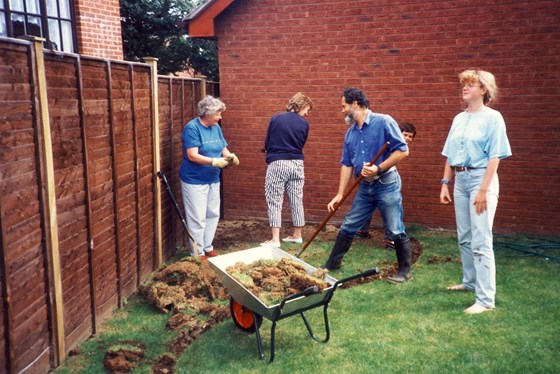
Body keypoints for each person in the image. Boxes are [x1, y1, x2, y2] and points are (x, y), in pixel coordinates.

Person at [322, 87, 413, 284]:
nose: (343, 110)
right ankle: (333, 263)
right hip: (365, 187)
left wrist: (378, 168)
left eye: (344, 106)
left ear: (355, 104)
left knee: (395, 228)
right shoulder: (350, 133)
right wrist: (340, 193)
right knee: (349, 225)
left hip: (386, 183)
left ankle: (405, 271)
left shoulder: (384, 121)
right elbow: (346, 164)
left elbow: (402, 151)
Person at [440, 69, 512, 314]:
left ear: (483, 90)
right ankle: (469, 282)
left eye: (470, 84)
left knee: (481, 240)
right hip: (460, 180)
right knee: (465, 237)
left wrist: (483, 190)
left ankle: (485, 300)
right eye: (464, 84)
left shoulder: (493, 118)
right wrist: (445, 183)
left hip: (483, 179)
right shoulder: (459, 118)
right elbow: (450, 153)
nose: (464, 88)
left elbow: (495, 156)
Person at [179, 95, 240, 259]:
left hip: (213, 178)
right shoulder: (192, 128)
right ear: (207, 113)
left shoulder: (216, 127)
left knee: (213, 213)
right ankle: (197, 253)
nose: (220, 117)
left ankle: (207, 246)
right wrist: (214, 162)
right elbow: (192, 155)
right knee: (197, 218)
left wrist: (230, 156)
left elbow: (222, 147)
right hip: (194, 180)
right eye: (218, 114)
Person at [260, 93, 314, 248]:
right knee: (296, 199)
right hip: (297, 163)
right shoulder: (304, 123)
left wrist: (268, 150)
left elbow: (268, 141)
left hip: (278, 162)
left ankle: (275, 239)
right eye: (307, 109)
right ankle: (297, 235)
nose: (307, 113)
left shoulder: (276, 118)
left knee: (274, 200)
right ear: (301, 106)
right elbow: (301, 143)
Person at [356, 122, 417, 250]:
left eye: (410, 137)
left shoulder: (400, 147)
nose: (407, 139)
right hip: (371, 175)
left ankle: (392, 239)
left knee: (391, 208)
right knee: (366, 203)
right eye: (405, 135)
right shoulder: (387, 141)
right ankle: (361, 230)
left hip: (387, 177)